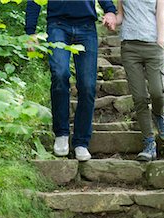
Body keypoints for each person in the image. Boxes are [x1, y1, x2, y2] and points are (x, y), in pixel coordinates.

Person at [25, 0, 116, 161]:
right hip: (58, 26)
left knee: (87, 85)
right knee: (60, 74)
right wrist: (30, 32)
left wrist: (109, 10)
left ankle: (81, 141)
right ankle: (61, 133)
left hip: (87, 27)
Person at [116, 0, 164, 161]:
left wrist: (160, 41)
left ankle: (158, 115)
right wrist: (111, 19)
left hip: (153, 45)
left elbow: (160, 15)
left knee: (157, 92)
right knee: (139, 98)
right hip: (129, 47)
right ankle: (149, 143)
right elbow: (121, 15)